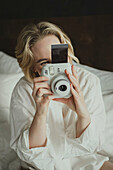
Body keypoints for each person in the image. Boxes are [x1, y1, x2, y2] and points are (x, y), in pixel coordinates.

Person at [10, 21, 113, 170]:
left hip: (86, 163)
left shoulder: (88, 82)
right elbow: (31, 155)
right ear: (33, 67)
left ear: (68, 53)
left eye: (58, 57)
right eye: (45, 63)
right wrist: (41, 111)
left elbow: (92, 145)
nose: (55, 68)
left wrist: (81, 112)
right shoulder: (24, 90)